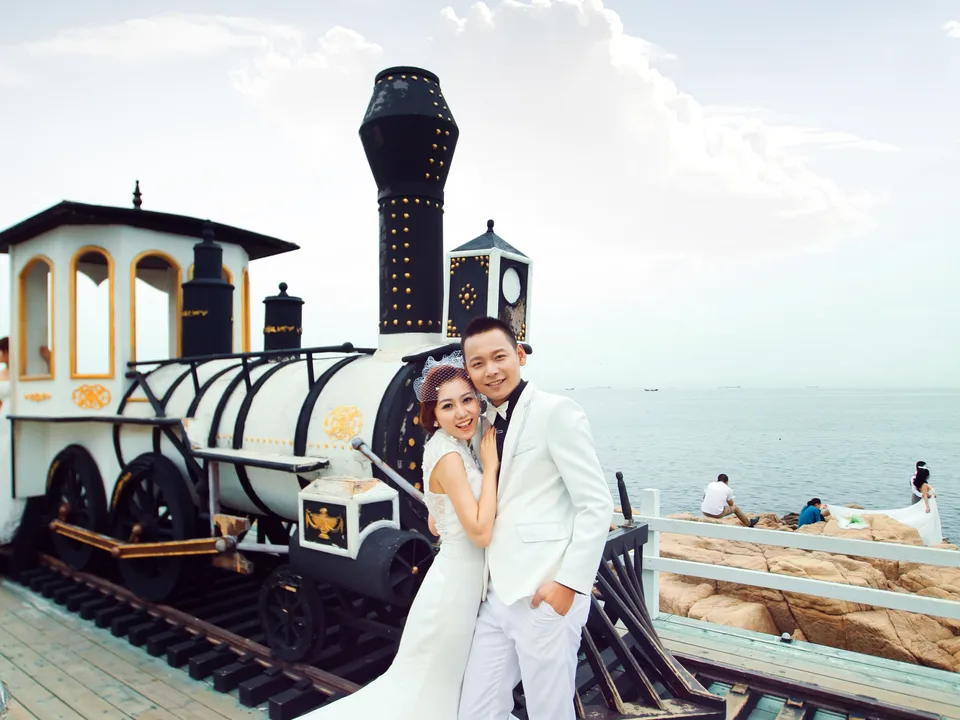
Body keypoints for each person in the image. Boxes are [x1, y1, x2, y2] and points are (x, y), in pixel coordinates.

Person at [302, 351, 500, 720]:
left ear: (478, 400)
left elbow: (435, 524)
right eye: (447, 406)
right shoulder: (452, 456)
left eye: (467, 400)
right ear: (432, 414)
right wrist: (490, 470)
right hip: (457, 586)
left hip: (451, 578)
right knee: (437, 684)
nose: (461, 412)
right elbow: (480, 531)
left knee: (432, 679)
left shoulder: (441, 445)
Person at [457, 317, 614, 720]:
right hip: (494, 594)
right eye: (478, 363)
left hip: (544, 593)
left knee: (550, 712)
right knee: (476, 710)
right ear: (469, 371)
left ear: (520, 356)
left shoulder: (556, 412)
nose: (491, 370)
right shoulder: (479, 424)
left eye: (499, 357)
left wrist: (569, 584)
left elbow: (596, 504)